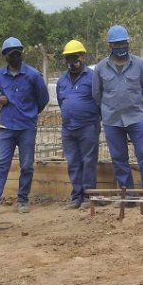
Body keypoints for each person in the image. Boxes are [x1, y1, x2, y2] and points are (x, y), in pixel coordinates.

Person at [92, 25, 143, 206]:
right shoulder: (101, 68)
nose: (121, 47)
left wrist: (140, 107)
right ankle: (129, 196)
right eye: (117, 44)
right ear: (110, 46)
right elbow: (97, 94)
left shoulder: (139, 64)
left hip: (136, 118)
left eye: (124, 43)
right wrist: (108, 110)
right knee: (119, 159)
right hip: (112, 121)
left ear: (128, 43)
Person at [0, 37, 49, 214]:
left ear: (21, 54)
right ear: (5, 56)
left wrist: (31, 113)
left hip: (27, 127)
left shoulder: (33, 75)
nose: (15, 56)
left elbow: (43, 99)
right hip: (6, 127)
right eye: (11, 54)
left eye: (18, 53)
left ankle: (22, 199)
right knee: (1, 164)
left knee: (27, 165)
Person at [56, 39, 100, 209]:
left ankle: (89, 196)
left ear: (83, 57)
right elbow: (62, 101)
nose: (71, 61)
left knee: (88, 161)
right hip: (68, 128)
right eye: (68, 58)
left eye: (75, 57)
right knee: (73, 161)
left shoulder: (93, 77)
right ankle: (76, 196)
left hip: (88, 126)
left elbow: (99, 100)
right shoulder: (62, 81)